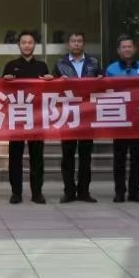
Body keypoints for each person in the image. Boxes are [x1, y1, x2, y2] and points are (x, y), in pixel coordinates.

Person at [2, 30, 52, 205]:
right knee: (15, 157)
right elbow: (1, 91)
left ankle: (37, 192)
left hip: (37, 118)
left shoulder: (42, 66)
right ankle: (16, 192)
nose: (27, 45)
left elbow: (49, 92)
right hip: (16, 117)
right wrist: (4, 80)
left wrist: (50, 81)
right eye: (24, 42)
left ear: (34, 45)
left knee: (37, 157)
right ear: (19, 45)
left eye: (30, 42)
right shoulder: (11, 65)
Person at [54, 32, 103, 203]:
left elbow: (103, 83)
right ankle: (69, 191)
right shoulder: (60, 64)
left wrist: (101, 79)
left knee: (85, 156)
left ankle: (84, 191)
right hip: (68, 115)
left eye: (79, 41)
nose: (76, 44)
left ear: (83, 44)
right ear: (68, 44)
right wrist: (58, 81)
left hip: (87, 115)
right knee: (67, 156)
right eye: (73, 41)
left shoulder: (93, 62)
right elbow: (52, 89)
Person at [105, 36, 139, 204]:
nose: (127, 49)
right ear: (119, 50)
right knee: (119, 158)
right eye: (124, 47)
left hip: (138, 118)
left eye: (130, 46)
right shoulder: (111, 69)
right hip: (119, 119)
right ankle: (119, 191)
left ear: (134, 49)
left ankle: (134, 191)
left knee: (137, 157)